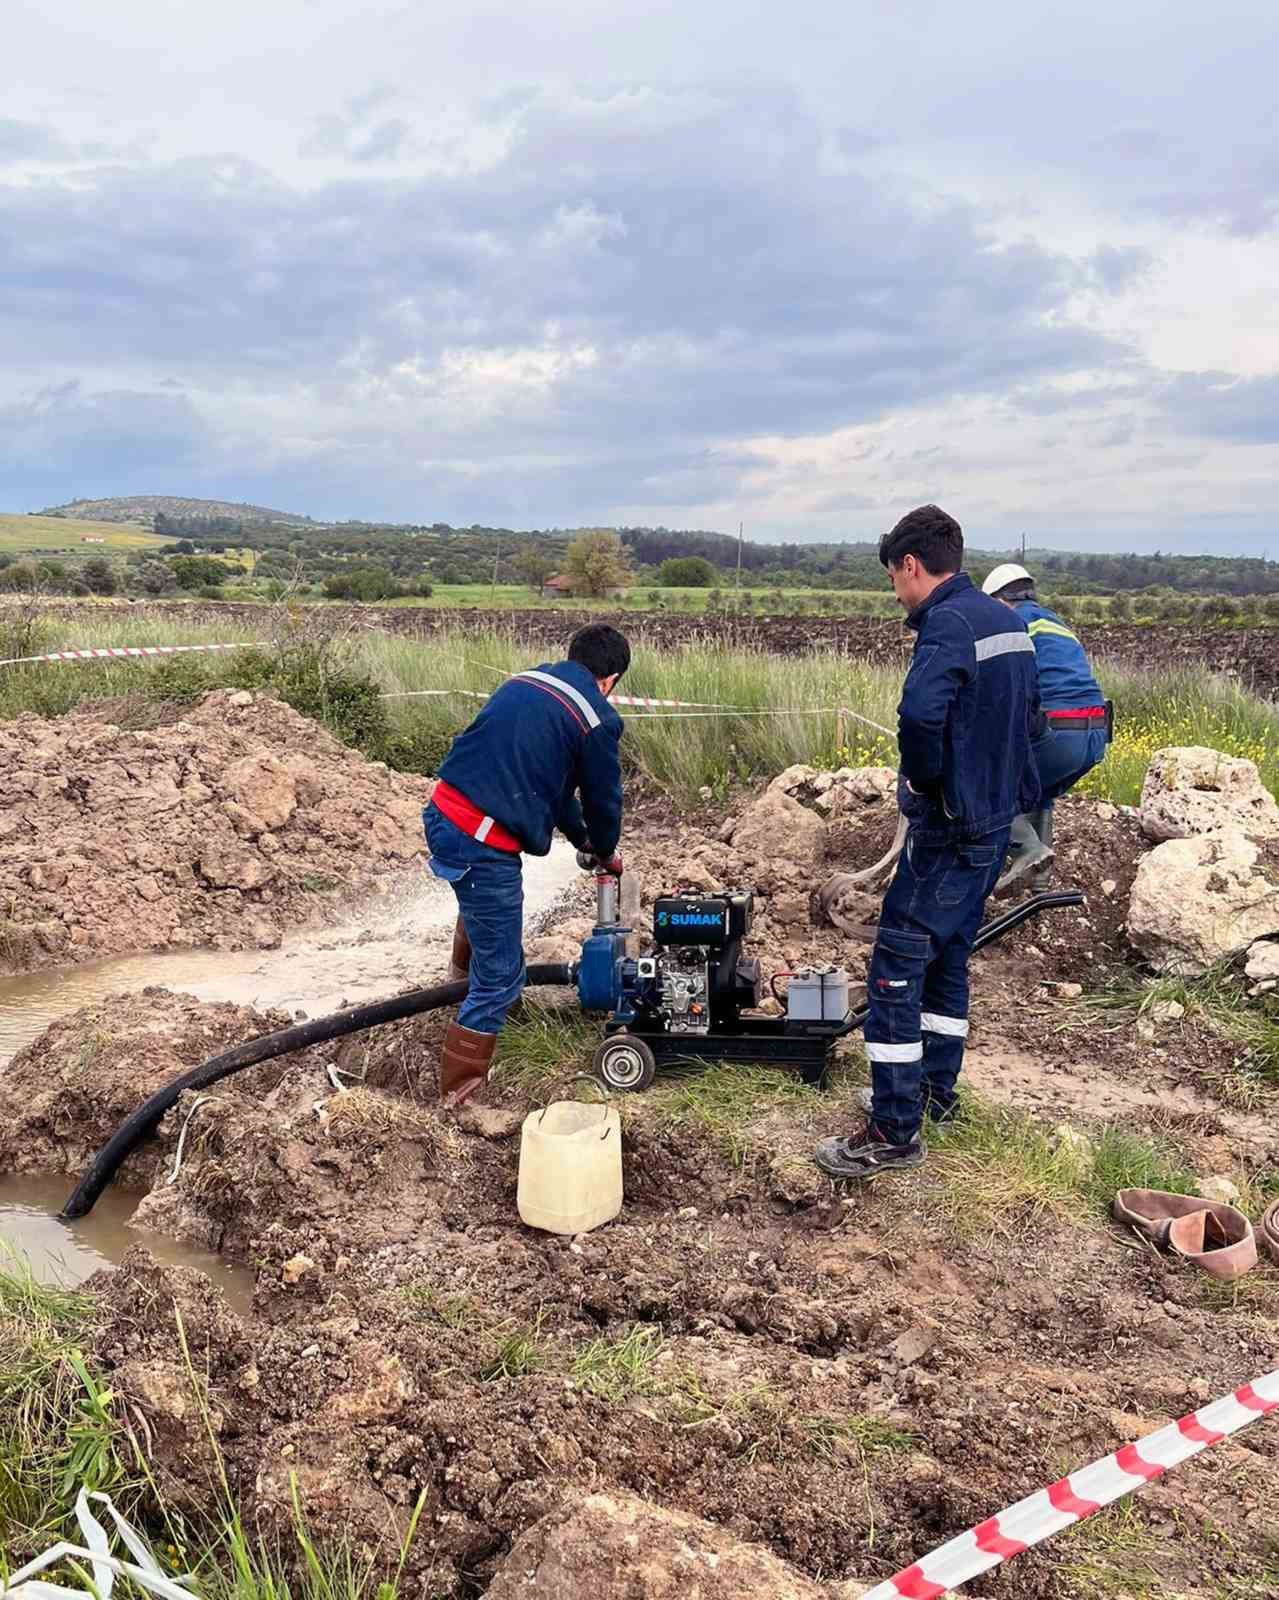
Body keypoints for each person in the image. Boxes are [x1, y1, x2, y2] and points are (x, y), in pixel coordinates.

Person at [813, 506, 1043, 1181]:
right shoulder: (1009, 622)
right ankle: (933, 1094)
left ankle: (891, 1129)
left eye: (893, 578)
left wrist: (927, 781)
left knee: (895, 964)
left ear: (910, 565)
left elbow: (919, 714)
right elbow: (1029, 722)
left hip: (950, 829)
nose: (896, 592)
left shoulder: (945, 624)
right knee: (946, 961)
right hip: (992, 825)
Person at [424, 623, 630, 1106]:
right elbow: (603, 802)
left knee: (481, 912)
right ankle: (461, 1098)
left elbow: (554, 791)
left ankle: (458, 998)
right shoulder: (597, 721)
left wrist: (585, 842)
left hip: (443, 812)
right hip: (479, 837)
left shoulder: (528, 682)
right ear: (611, 679)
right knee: (501, 977)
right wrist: (605, 845)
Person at [980, 563, 1109, 894]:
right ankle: (1039, 888)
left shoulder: (1010, 622)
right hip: (1095, 734)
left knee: (980, 785)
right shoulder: (1056, 623)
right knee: (1037, 791)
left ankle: (1028, 851)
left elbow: (1000, 683)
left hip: (1059, 729)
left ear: (997, 600)